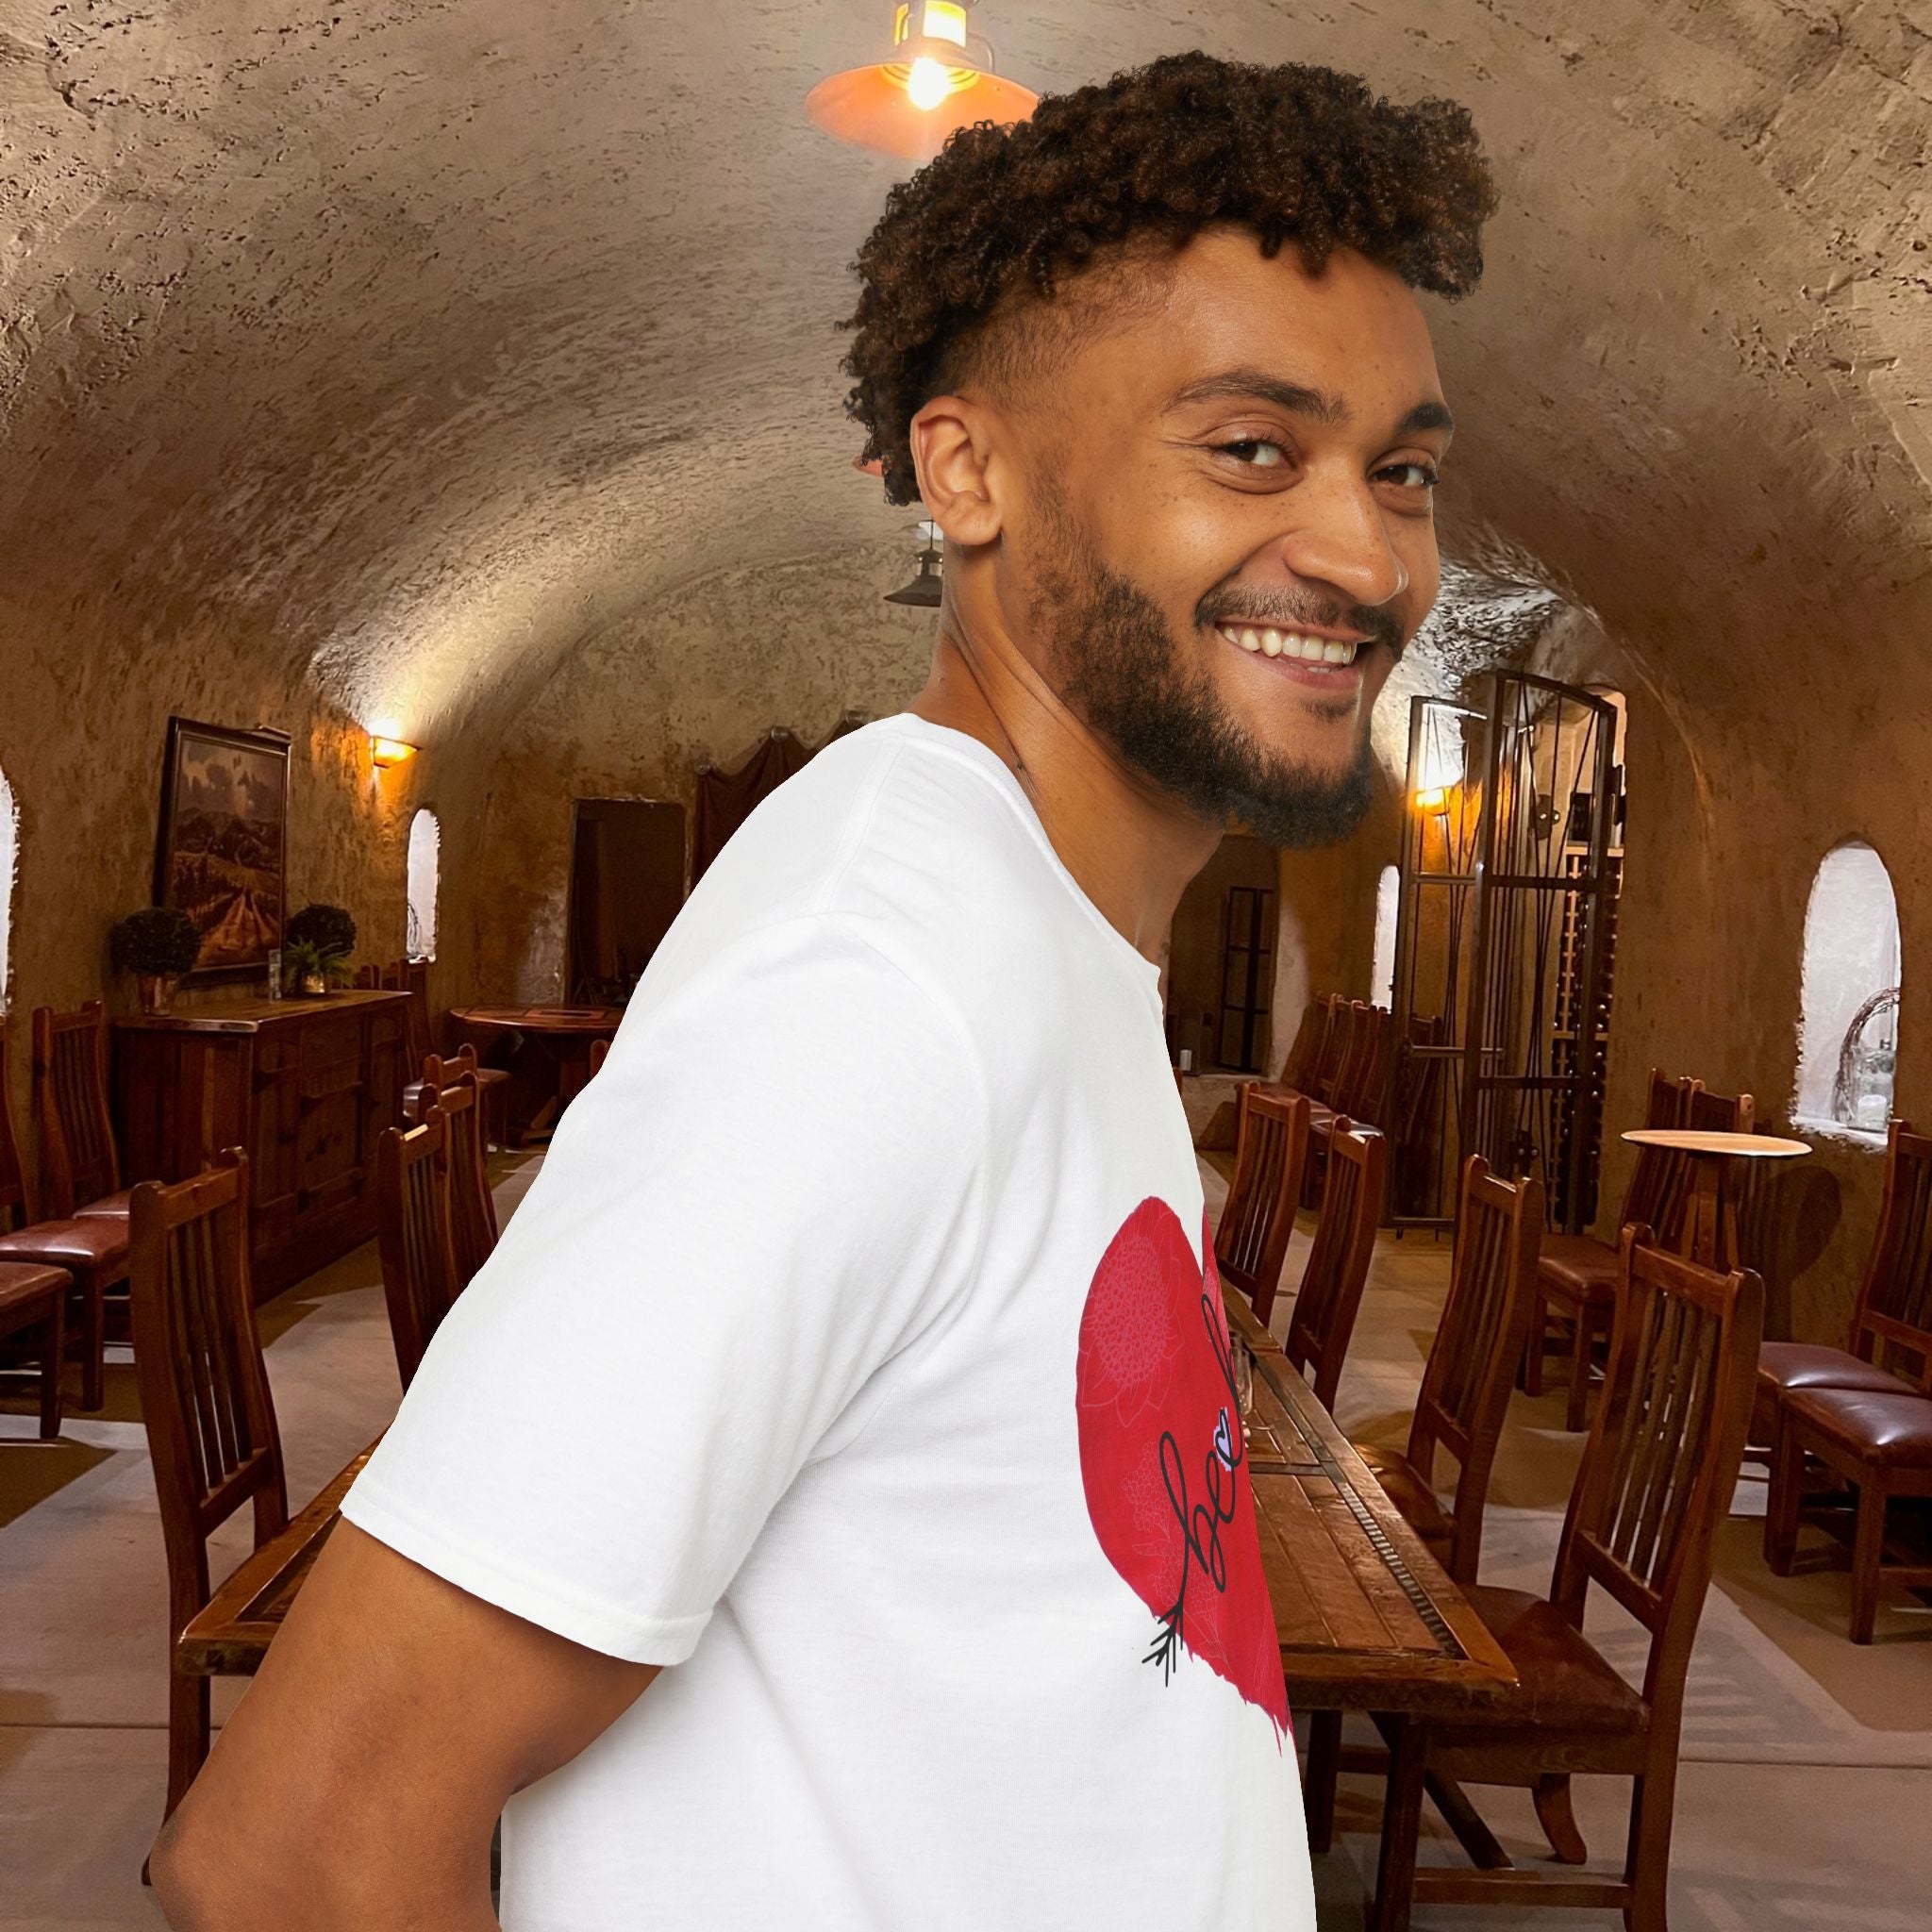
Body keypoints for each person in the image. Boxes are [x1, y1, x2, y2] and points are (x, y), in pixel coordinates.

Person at [153, 50, 1494, 1931]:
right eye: (1251, 447)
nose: (1365, 552)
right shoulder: (881, 967)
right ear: (968, 469)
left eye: (1403, 469)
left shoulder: (1035, 939)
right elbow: (295, 1848)